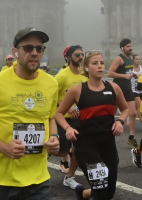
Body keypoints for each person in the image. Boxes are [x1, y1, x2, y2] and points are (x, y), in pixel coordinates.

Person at [0, 27, 59, 200]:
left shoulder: (51, 84)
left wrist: (54, 136)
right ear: (15, 52)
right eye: (28, 48)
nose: (34, 53)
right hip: (2, 179)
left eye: (39, 49)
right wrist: (5, 148)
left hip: (39, 178)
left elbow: (50, 117)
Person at [55, 51, 128, 200]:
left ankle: (82, 194)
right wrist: (68, 128)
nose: (100, 66)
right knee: (101, 192)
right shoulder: (78, 90)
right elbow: (58, 113)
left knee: (109, 192)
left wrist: (120, 121)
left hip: (108, 145)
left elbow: (126, 109)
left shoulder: (113, 88)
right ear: (86, 68)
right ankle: (87, 193)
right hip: (86, 146)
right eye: (95, 63)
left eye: (101, 63)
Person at [54, 45, 87, 189]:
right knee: (60, 150)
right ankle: (43, 155)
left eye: (81, 54)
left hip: (81, 118)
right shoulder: (62, 76)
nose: (80, 57)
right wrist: (67, 105)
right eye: (77, 55)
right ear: (68, 58)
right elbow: (51, 96)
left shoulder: (85, 75)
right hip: (64, 118)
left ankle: (69, 176)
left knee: (80, 147)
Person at [108, 38, 138, 148]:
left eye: (131, 46)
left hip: (128, 89)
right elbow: (110, 73)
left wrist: (133, 74)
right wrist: (124, 76)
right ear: (122, 48)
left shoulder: (130, 58)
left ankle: (131, 137)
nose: (130, 48)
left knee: (133, 113)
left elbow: (128, 71)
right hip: (117, 89)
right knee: (112, 112)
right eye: (128, 46)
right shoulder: (119, 59)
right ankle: (108, 133)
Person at [131, 54, 142, 129]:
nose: (138, 60)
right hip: (133, 90)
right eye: (136, 59)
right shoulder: (130, 69)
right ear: (133, 60)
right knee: (139, 106)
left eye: (139, 59)